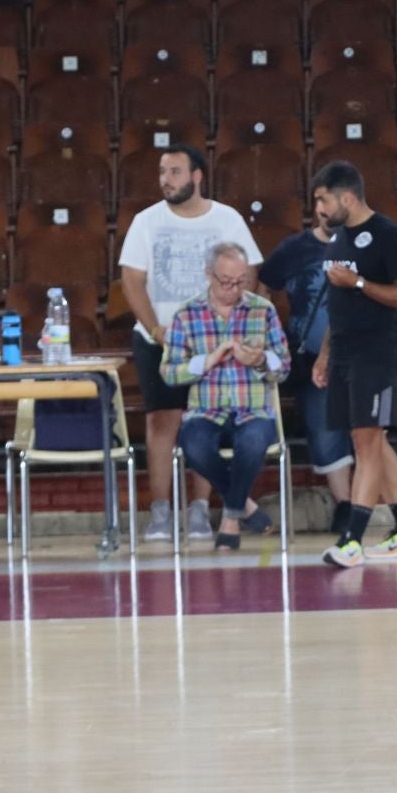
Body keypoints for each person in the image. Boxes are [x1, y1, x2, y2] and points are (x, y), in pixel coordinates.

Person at [118, 144, 264, 543]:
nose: (166, 179)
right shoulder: (146, 221)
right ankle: (161, 511)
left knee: (204, 422)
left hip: (214, 342)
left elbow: (249, 275)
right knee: (161, 422)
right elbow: (131, 280)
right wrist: (156, 329)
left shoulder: (227, 220)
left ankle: (199, 509)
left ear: (197, 176)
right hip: (160, 339)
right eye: (163, 172)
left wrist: (227, 324)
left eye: (176, 172)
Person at [312, 160, 397, 567]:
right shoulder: (338, 239)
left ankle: (352, 540)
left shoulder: (387, 236)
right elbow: (337, 303)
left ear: (347, 197)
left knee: (366, 441)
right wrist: (326, 353)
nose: (320, 209)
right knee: (372, 441)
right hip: (344, 351)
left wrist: (360, 282)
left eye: (324, 200)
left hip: (377, 354)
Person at [160, 244, 291, 551]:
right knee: (193, 444)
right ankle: (243, 505)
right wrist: (206, 361)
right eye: (225, 281)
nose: (233, 289)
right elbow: (168, 372)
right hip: (206, 408)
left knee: (254, 441)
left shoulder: (263, 310)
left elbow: (283, 366)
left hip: (253, 407)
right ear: (208, 275)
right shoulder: (187, 314)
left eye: (240, 281)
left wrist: (260, 361)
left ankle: (230, 520)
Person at [258, 210, 354, 536]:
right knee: (324, 427)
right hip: (311, 354)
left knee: (368, 433)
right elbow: (264, 286)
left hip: (363, 350)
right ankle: (345, 505)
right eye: (324, 200)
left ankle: (367, 506)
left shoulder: (367, 243)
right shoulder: (293, 249)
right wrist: (265, 331)